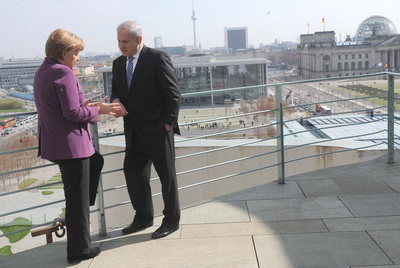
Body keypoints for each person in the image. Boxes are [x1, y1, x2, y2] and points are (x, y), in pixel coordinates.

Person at [33, 28, 120, 263]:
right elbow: (72, 112)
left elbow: (63, 107)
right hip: (72, 147)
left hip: (58, 144)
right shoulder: (63, 73)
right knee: (76, 201)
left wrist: (86, 105)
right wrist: (98, 110)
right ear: (63, 52)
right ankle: (79, 250)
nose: (78, 57)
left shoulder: (44, 71)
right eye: (76, 52)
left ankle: (83, 206)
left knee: (95, 163)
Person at [111, 21, 181, 239]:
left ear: (138, 40)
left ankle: (171, 221)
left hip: (158, 131)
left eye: (125, 41)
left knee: (166, 178)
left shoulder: (157, 58)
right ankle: (143, 217)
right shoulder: (117, 64)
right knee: (133, 173)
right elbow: (116, 91)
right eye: (119, 42)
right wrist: (115, 102)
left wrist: (167, 125)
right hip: (133, 132)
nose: (121, 46)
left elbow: (173, 95)